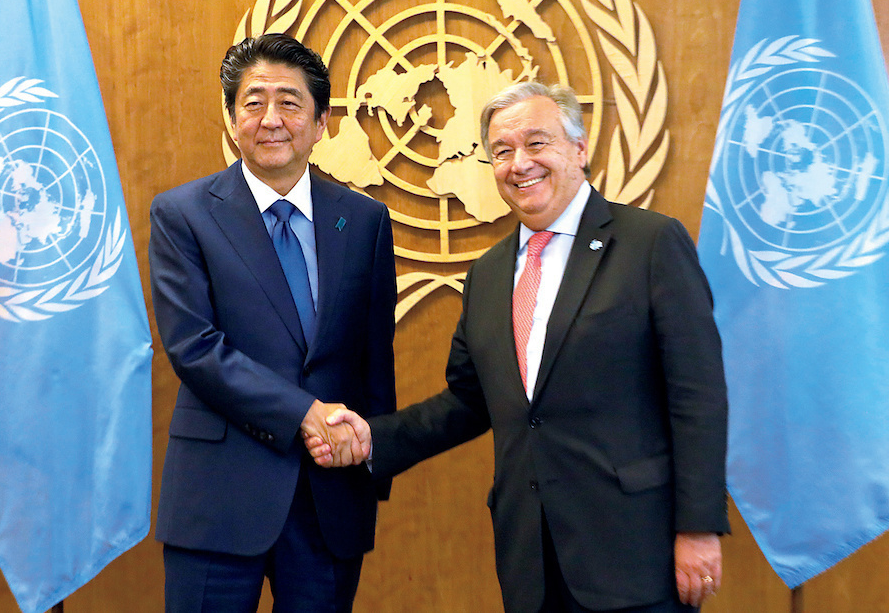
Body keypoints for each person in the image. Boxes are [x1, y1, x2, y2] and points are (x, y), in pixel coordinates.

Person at [308, 81, 728, 612]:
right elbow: (468, 401)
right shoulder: (487, 274)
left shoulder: (650, 243)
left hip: (635, 552)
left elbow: (698, 395)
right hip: (531, 559)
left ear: (579, 149)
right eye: (502, 151)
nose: (519, 163)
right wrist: (373, 440)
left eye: (536, 143)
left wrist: (699, 526)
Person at [149, 33, 397, 612]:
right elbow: (195, 348)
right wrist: (304, 413)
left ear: (321, 122)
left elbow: (373, 355)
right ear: (232, 119)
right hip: (218, 495)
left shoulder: (364, 220)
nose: (270, 120)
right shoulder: (183, 214)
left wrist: (372, 456)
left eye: (289, 103)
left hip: (330, 494)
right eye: (253, 102)